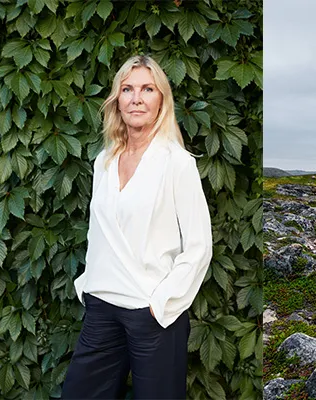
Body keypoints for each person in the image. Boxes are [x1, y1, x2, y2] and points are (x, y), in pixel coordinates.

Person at [62, 55, 213, 399]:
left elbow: (199, 245)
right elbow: (98, 231)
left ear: (162, 98)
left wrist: (160, 303)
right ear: (117, 99)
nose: (137, 98)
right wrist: (89, 283)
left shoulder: (177, 163)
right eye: (127, 89)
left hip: (152, 314)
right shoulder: (105, 160)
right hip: (101, 305)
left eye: (148, 88)